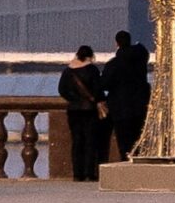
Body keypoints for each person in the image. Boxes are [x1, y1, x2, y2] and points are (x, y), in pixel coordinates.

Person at [57, 45, 106, 182]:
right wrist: (96, 100)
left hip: (73, 111)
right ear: (90, 56)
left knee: (77, 142)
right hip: (89, 110)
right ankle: (90, 173)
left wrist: (74, 99)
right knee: (90, 141)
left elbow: (62, 90)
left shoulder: (68, 71)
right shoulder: (92, 70)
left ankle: (77, 173)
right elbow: (98, 90)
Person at [100, 30, 151, 160]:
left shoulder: (113, 64)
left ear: (117, 43)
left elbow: (104, 84)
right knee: (138, 139)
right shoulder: (140, 60)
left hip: (120, 108)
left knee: (124, 142)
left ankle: (126, 165)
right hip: (140, 106)